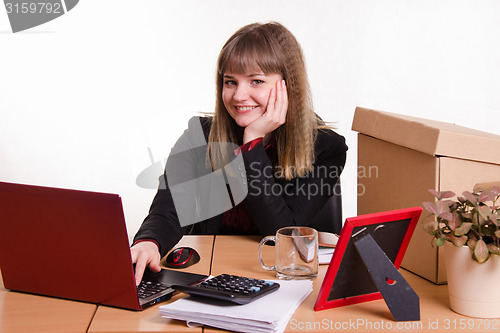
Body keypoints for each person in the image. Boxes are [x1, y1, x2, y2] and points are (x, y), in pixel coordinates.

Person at [131, 22, 348, 285]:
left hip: (284, 278)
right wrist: (149, 242)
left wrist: (252, 143)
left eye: (256, 81)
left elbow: (279, 231)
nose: (238, 95)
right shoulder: (199, 135)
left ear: (288, 86)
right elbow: (170, 207)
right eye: (230, 82)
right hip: (213, 273)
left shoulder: (326, 148)